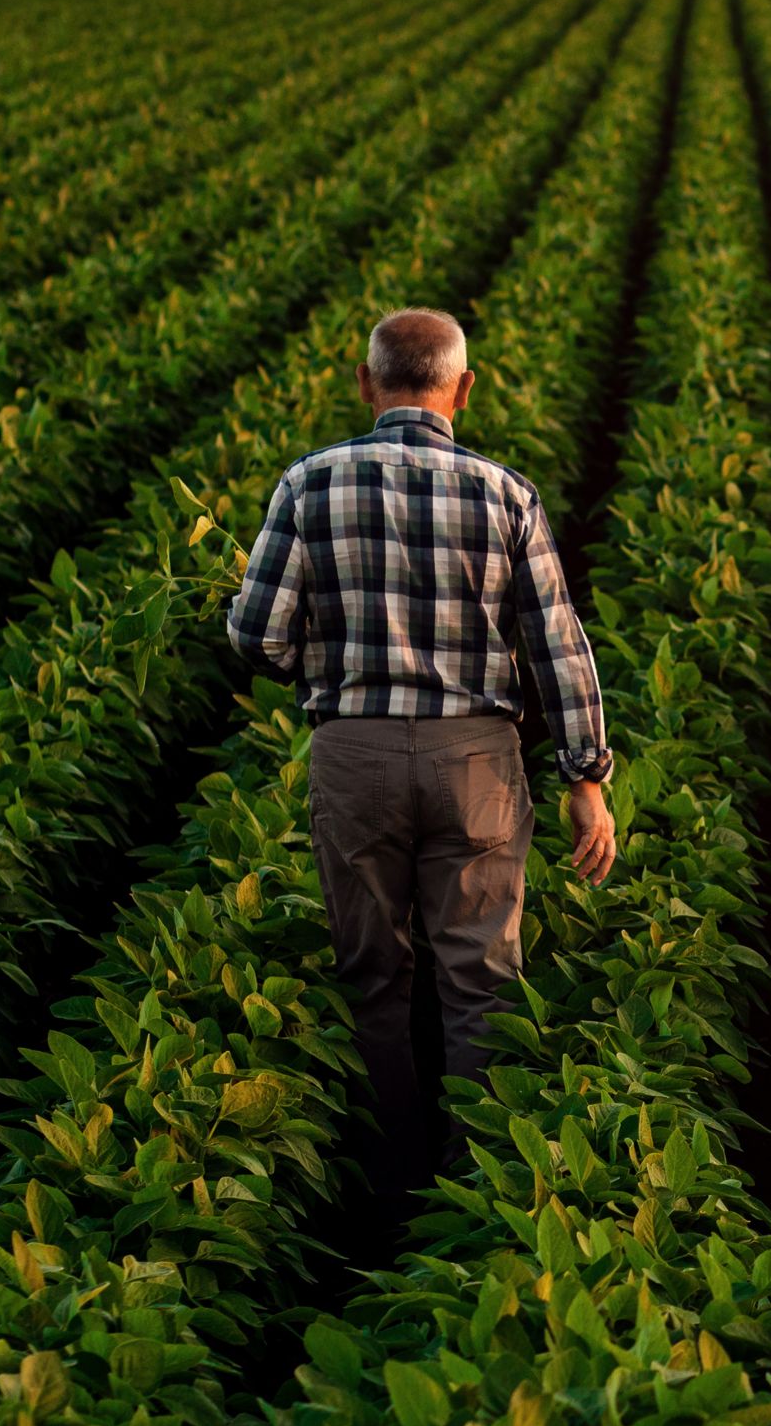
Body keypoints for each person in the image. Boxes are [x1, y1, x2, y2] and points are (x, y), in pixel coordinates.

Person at [226, 306, 617, 1226]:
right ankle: (474, 1185)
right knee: (480, 979)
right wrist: (585, 780)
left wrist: (317, 656)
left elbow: (255, 634)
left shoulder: (308, 485)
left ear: (366, 384)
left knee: (373, 970)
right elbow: (559, 647)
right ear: (463, 389)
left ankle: (391, 1174)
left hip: (354, 748)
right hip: (474, 759)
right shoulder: (505, 495)